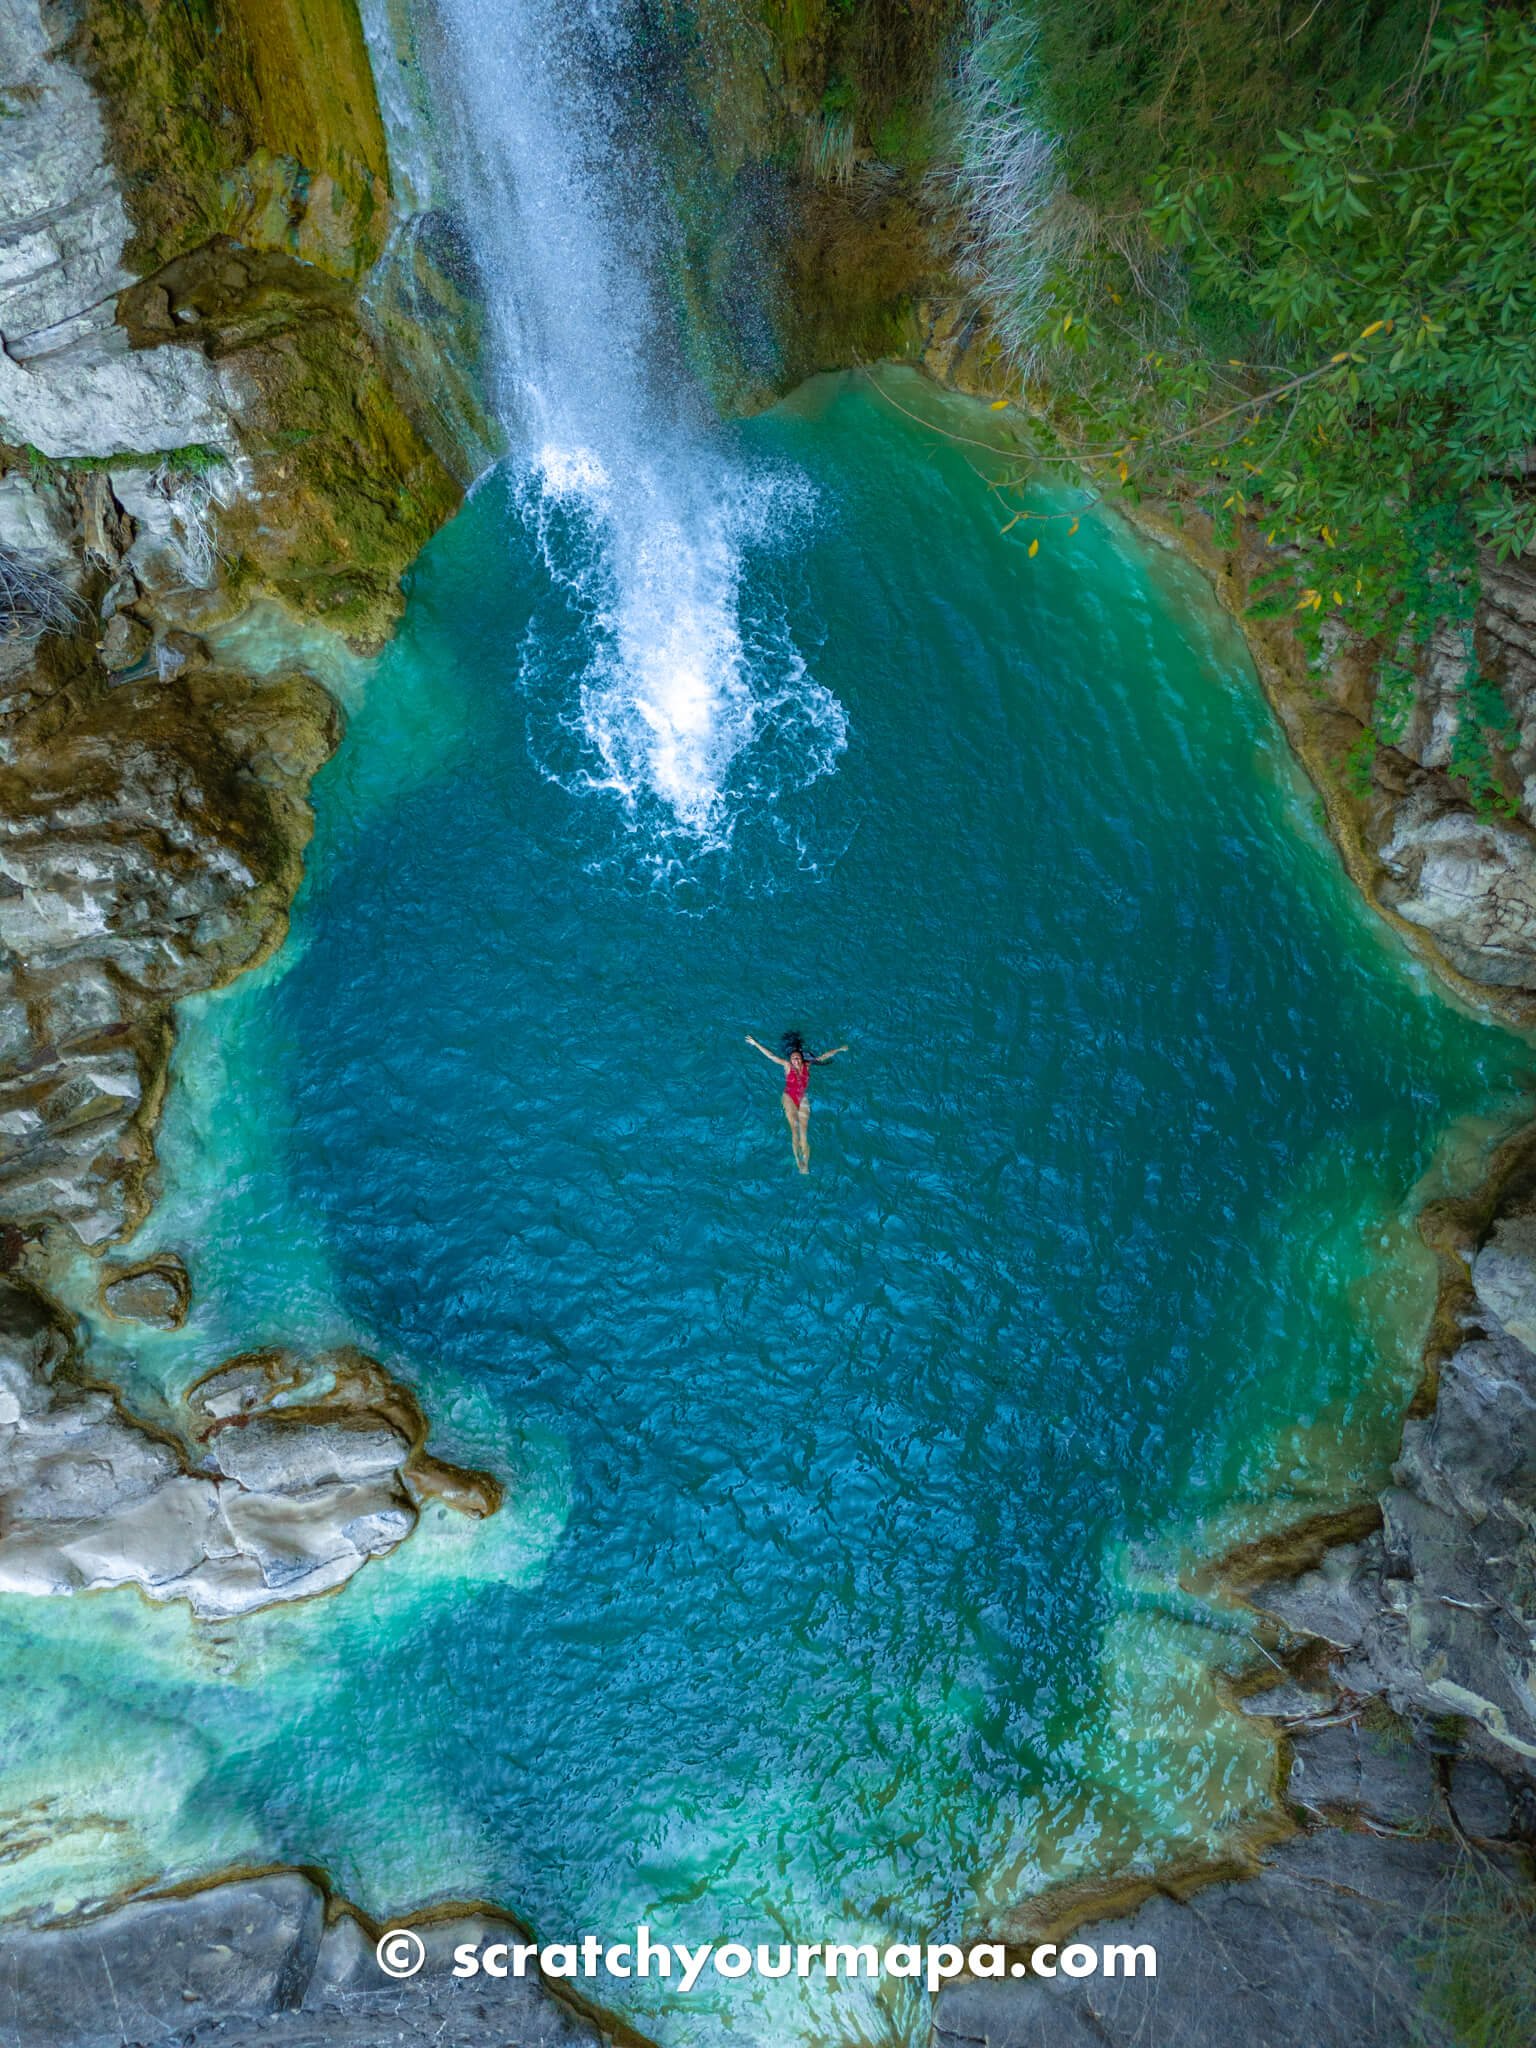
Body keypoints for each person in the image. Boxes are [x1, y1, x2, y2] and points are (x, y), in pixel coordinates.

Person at [744, 1030, 848, 1174]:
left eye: (798, 1058)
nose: (796, 1060)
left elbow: (823, 1057)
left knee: (804, 1132)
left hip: (802, 1098)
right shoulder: (787, 1066)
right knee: (795, 1130)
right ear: (791, 1060)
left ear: (801, 1058)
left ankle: (805, 1164)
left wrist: (839, 1049)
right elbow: (772, 1056)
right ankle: (798, 1162)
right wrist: (755, 1044)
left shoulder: (808, 1065)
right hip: (789, 1097)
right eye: (793, 1058)